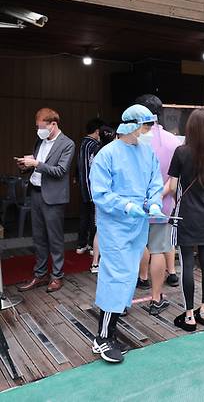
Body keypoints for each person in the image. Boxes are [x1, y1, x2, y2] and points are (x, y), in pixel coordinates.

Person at [89, 104, 164, 363]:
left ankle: (112, 333)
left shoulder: (147, 152)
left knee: (129, 277)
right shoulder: (107, 155)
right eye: (146, 126)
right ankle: (101, 337)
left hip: (137, 225)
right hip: (115, 226)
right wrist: (126, 205)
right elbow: (99, 193)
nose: (149, 132)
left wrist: (153, 202)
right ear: (131, 125)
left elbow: (155, 181)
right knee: (116, 277)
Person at [169, 109, 204, 331]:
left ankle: (189, 316)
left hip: (186, 215)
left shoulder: (181, 152)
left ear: (190, 128)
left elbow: (172, 186)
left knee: (187, 264)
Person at [16, 108, 75, 293]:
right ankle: (40, 274)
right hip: (35, 192)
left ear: (53, 124)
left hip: (54, 197)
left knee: (55, 238)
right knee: (39, 237)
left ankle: (57, 276)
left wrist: (36, 164)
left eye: (41, 127)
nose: (38, 131)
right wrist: (26, 165)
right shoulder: (40, 140)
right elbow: (38, 164)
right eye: (37, 127)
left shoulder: (67, 144)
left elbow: (60, 171)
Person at [133, 94, 181, 315]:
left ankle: (139, 280)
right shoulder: (173, 141)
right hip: (163, 205)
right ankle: (156, 298)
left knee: (137, 246)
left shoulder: (132, 139)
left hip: (134, 206)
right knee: (160, 249)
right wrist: (157, 197)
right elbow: (173, 182)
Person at [90, 125, 116, 274]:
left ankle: (95, 263)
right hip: (112, 197)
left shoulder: (96, 151)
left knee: (100, 230)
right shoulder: (112, 152)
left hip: (99, 196)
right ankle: (106, 262)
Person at [76, 118, 104, 255]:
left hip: (83, 186)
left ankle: (81, 244)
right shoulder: (94, 145)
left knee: (84, 216)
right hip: (92, 187)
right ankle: (93, 245)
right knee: (94, 218)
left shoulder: (83, 143)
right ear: (98, 131)